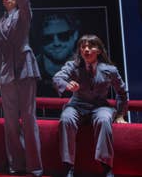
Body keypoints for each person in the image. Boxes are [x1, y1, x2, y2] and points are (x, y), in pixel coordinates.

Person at [0, 0, 42, 176]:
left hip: (25, 69)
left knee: (29, 119)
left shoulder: (24, 14)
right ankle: (16, 165)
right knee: (11, 123)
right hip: (6, 76)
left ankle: (35, 167)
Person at [54, 35, 127, 177]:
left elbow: (122, 92)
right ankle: (68, 166)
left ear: (99, 50)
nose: (86, 50)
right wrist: (67, 85)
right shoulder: (73, 66)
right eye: (83, 47)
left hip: (100, 106)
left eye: (90, 46)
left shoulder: (110, 70)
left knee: (103, 119)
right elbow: (57, 78)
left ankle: (106, 166)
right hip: (76, 105)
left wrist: (120, 114)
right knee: (66, 119)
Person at [36, 12, 80, 96]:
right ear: (40, 40)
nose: (56, 43)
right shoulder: (31, 69)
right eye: (48, 38)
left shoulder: (86, 66)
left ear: (75, 35)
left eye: (63, 36)